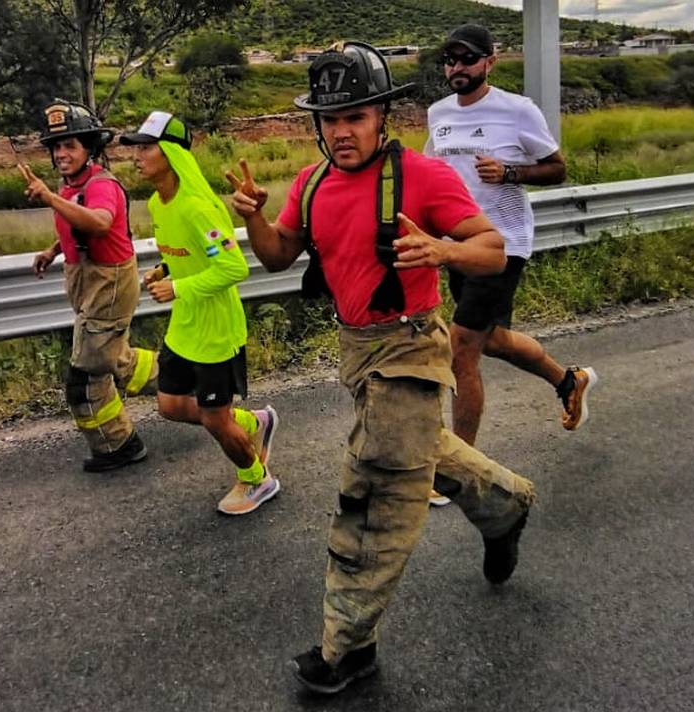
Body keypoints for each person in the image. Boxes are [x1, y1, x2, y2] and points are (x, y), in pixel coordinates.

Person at [228, 42, 536, 695]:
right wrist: (256, 221)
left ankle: (349, 648)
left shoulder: (422, 177)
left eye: (356, 117)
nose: (342, 131)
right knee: (421, 450)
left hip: (411, 348)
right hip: (357, 351)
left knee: (374, 491)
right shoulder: (311, 184)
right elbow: (280, 255)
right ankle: (503, 504)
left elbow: (491, 249)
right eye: (330, 119)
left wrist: (442, 248)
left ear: (382, 117)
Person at [424, 24, 598, 477]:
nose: (456, 67)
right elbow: (431, 172)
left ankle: (460, 466)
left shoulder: (517, 110)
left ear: (489, 62)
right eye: (450, 59)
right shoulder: (438, 113)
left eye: (467, 59)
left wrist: (510, 174)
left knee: (461, 347)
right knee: (491, 340)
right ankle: (569, 380)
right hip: (457, 244)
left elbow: (557, 168)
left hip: (503, 242)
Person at [120, 110, 281, 516]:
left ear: (172, 153)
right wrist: (165, 269)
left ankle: (257, 479)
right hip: (185, 326)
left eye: (146, 148)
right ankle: (251, 424)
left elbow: (233, 268)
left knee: (213, 419)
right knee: (170, 405)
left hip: (215, 332)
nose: (136, 157)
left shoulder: (196, 208)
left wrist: (178, 287)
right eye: (135, 149)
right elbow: (186, 254)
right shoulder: (159, 203)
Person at [21, 100, 158, 472]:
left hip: (108, 283)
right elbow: (74, 226)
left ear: (89, 148)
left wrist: (48, 197)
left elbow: (99, 222)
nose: (62, 153)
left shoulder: (102, 185)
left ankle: (118, 445)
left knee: (84, 378)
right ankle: (183, 380)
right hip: (87, 280)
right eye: (56, 146)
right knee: (117, 359)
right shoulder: (71, 187)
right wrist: (52, 251)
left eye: (71, 145)